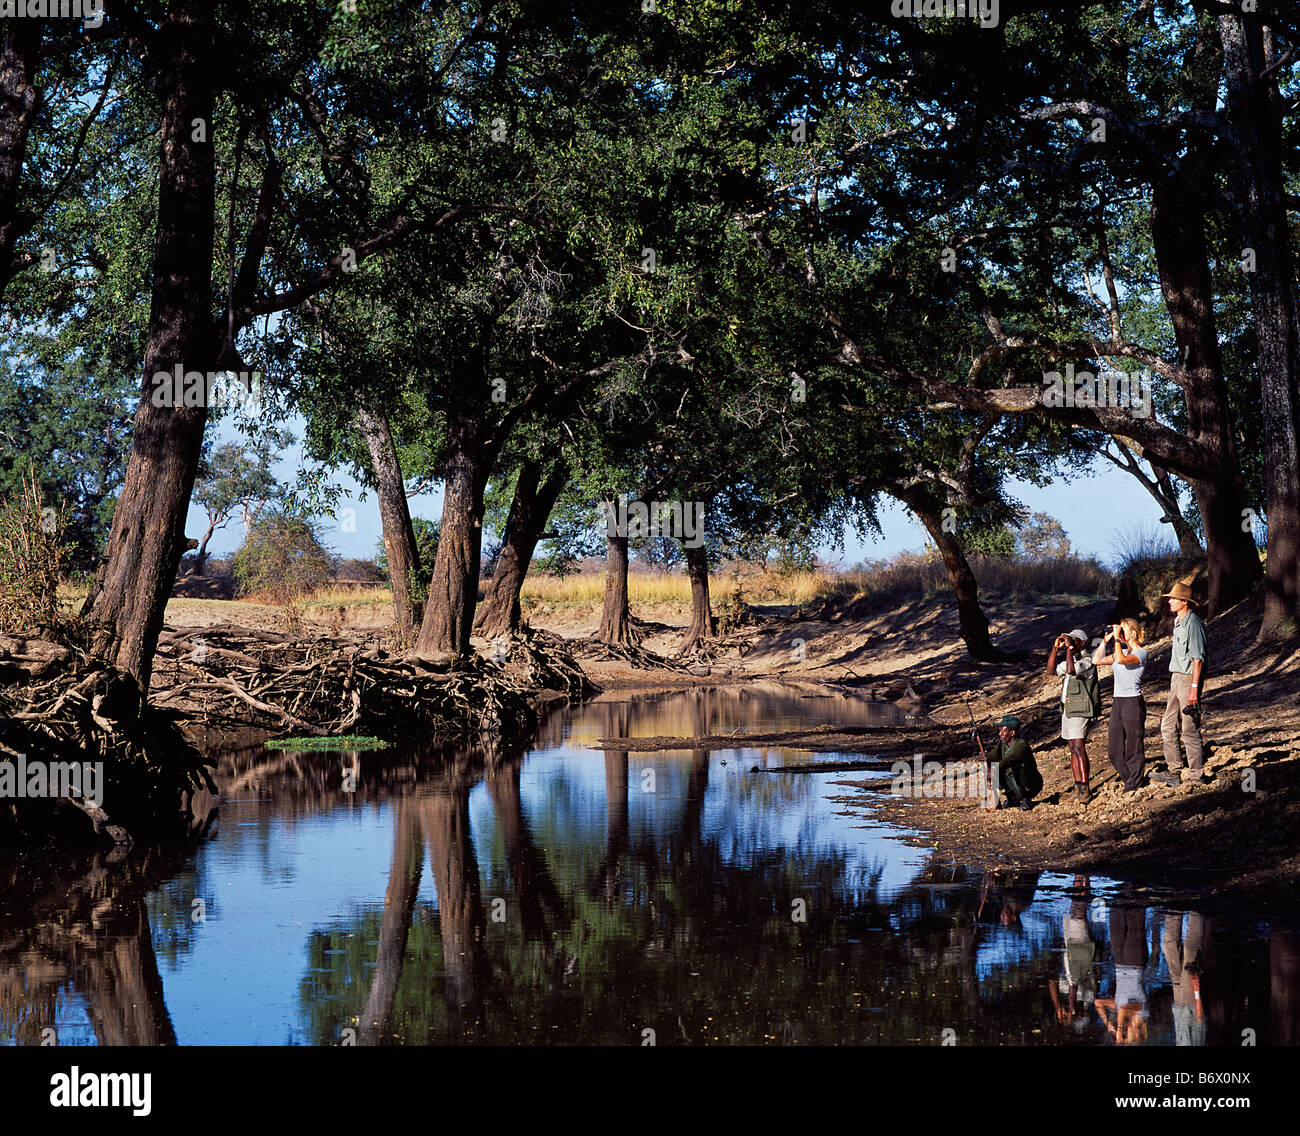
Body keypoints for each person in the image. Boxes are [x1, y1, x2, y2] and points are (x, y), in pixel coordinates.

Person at [1152, 582, 1207, 786]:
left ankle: (1195, 776)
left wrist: (1194, 688)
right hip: (1177, 677)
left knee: (1189, 727)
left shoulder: (1193, 623)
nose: (1170, 601)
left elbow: (1198, 659)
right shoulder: (1178, 621)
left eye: (1174, 598)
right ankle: (1173, 770)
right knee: (1167, 725)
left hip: (1187, 679)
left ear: (1184, 601)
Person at [1092, 618, 1148, 793]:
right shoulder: (1119, 652)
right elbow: (1096, 660)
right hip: (1118, 702)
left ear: (1131, 633)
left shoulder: (1141, 653)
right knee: (1114, 750)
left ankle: (1134, 784)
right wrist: (1106, 640)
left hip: (1133, 701)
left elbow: (1123, 660)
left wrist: (1117, 639)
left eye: (1123, 632)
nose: (1120, 636)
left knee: (1134, 745)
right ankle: (1130, 780)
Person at [1044, 628, 1099, 802]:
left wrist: (1068, 649)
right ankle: (1078, 787)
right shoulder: (1072, 658)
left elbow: (1071, 670)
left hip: (1080, 710)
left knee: (1079, 748)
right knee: (1073, 749)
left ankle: (1085, 789)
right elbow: (1051, 671)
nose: (1071, 643)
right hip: (1068, 709)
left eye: (1074, 640)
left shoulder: (1088, 660)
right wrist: (1055, 648)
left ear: (1082, 643)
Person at [985, 714, 1042, 811]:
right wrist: (985, 757)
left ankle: (1025, 799)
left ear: (1012, 733)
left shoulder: (1021, 745)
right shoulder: (1002, 744)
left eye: (1003, 731)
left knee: (1007, 770)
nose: (1000, 734)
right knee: (998, 771)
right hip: (1015, 779)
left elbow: (1007, 761)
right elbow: (992, 755)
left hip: (1031, 784)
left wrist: (993, 769)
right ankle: (1012, 798)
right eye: (1000, 731)